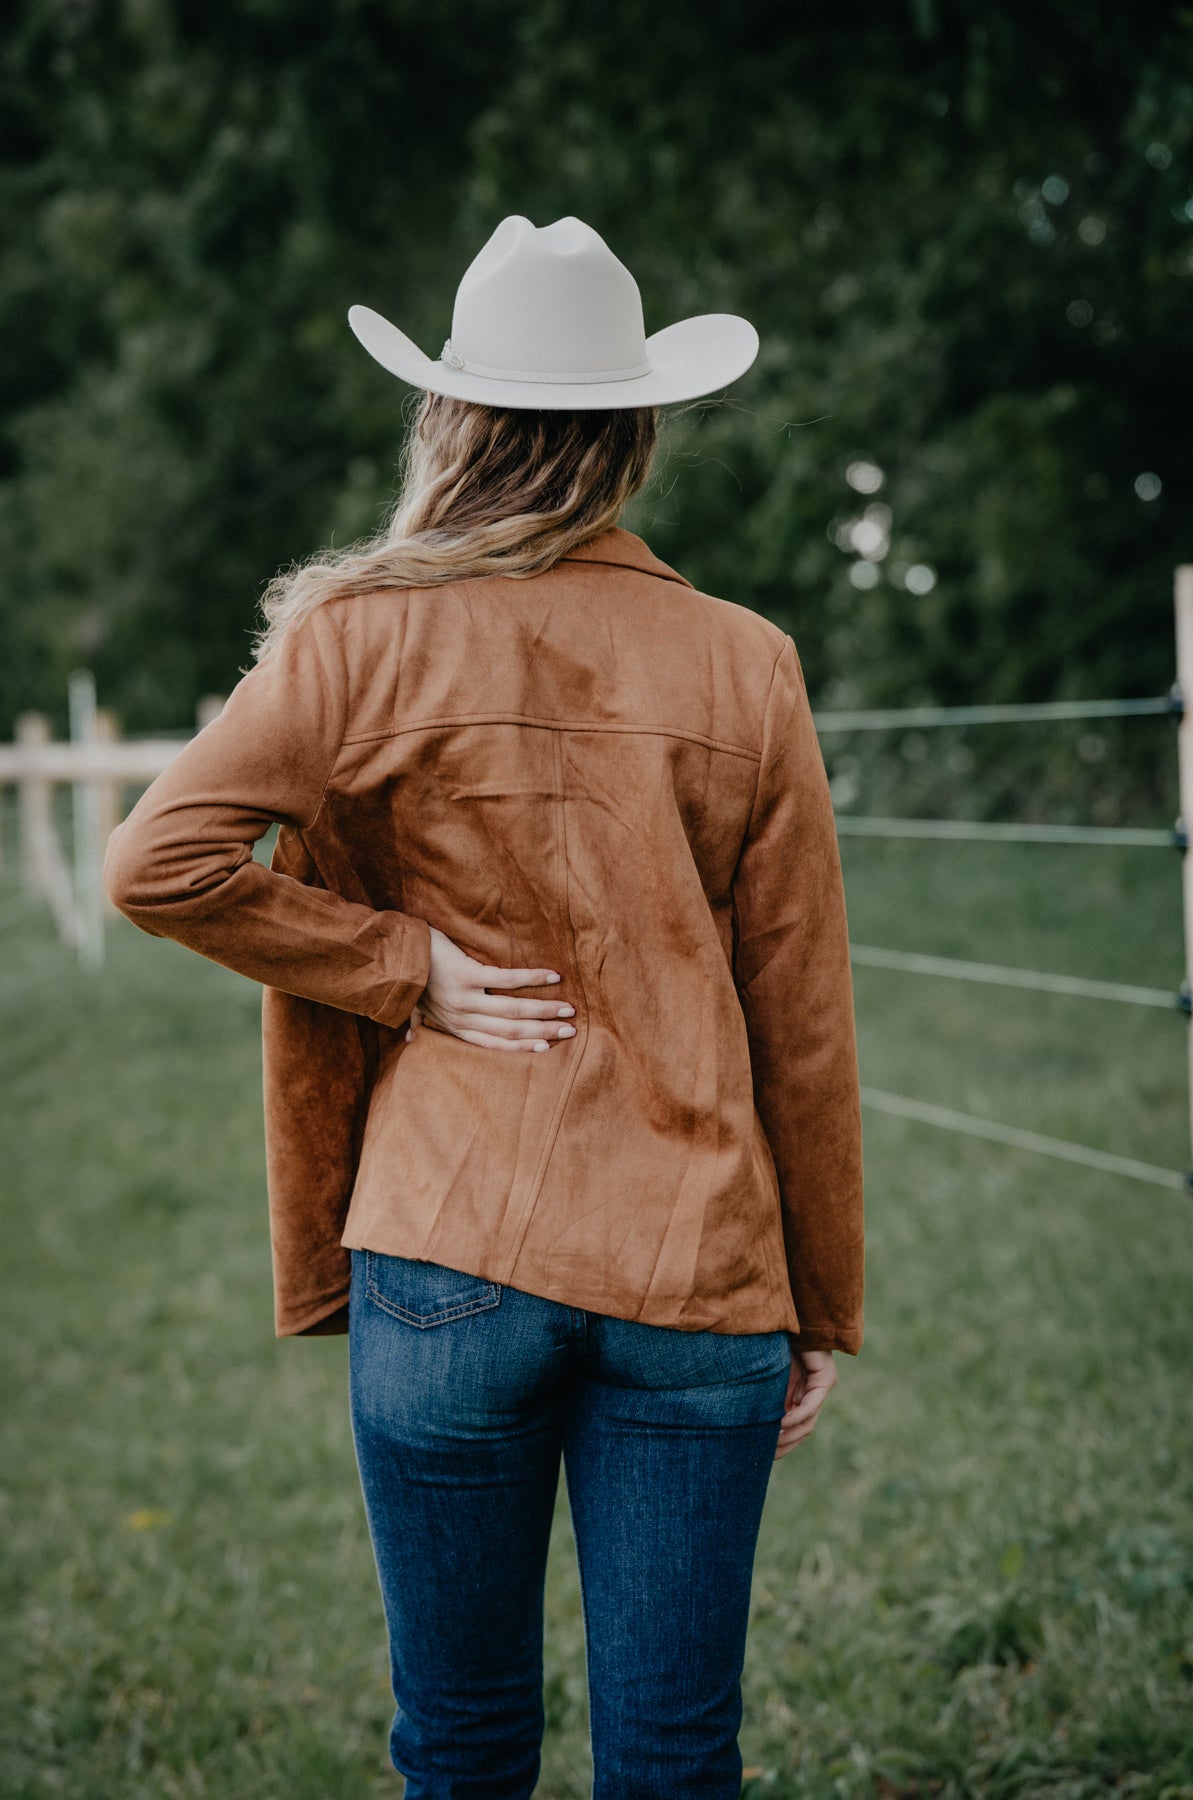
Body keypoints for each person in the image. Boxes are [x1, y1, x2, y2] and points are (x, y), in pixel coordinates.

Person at [103, 214, 865, 1799]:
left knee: (457, 1747)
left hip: (446, 1259)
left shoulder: (356, 637)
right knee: (674, 1755)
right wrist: (826, 1300)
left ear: (451, 421)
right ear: (634, 434)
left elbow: (158, 861)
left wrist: (408, 972)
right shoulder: (748, 664)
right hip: (697, 1267)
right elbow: (802, 1013)